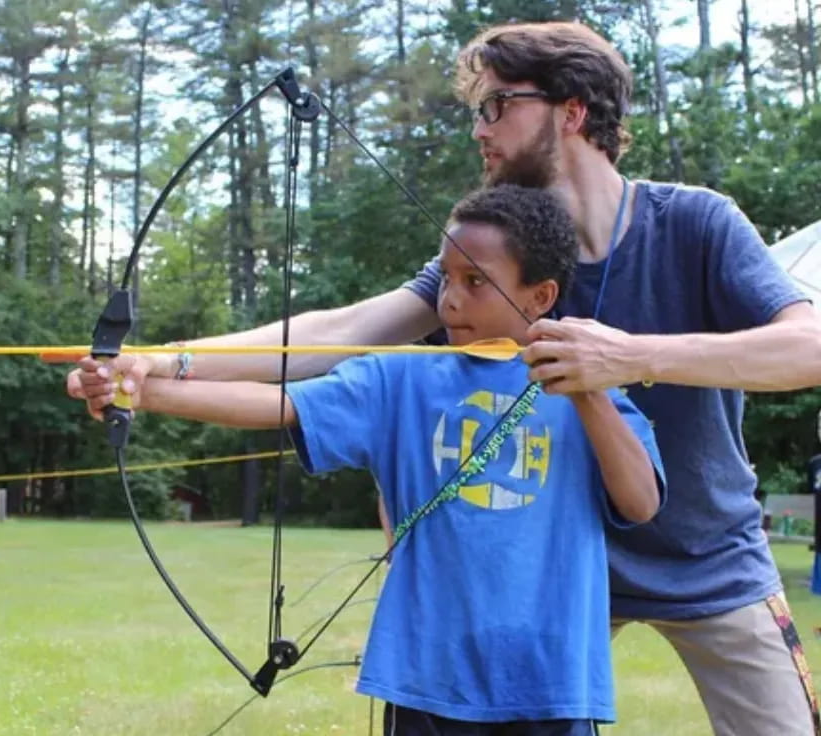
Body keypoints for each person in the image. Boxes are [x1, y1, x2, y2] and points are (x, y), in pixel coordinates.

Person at [68, 21, 821, 736]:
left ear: (571, 110)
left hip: (709, 559)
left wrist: (632, 358)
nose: (479, 128)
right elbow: (343, 331)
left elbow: (808, 346)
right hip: (547, 578)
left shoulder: (696, 223)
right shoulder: (497, 258)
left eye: (497, 104)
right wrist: (167, 361)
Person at [123, 184, 664, 734]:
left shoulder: (596, 397)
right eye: (447, 278)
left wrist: (587, 390)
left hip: (551, 685)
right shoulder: (400, 376)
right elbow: (277, 401)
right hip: (425, 679)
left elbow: (640, 502)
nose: (449, 300)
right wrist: (145, 386)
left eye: (475, 281)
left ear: (541, 296)